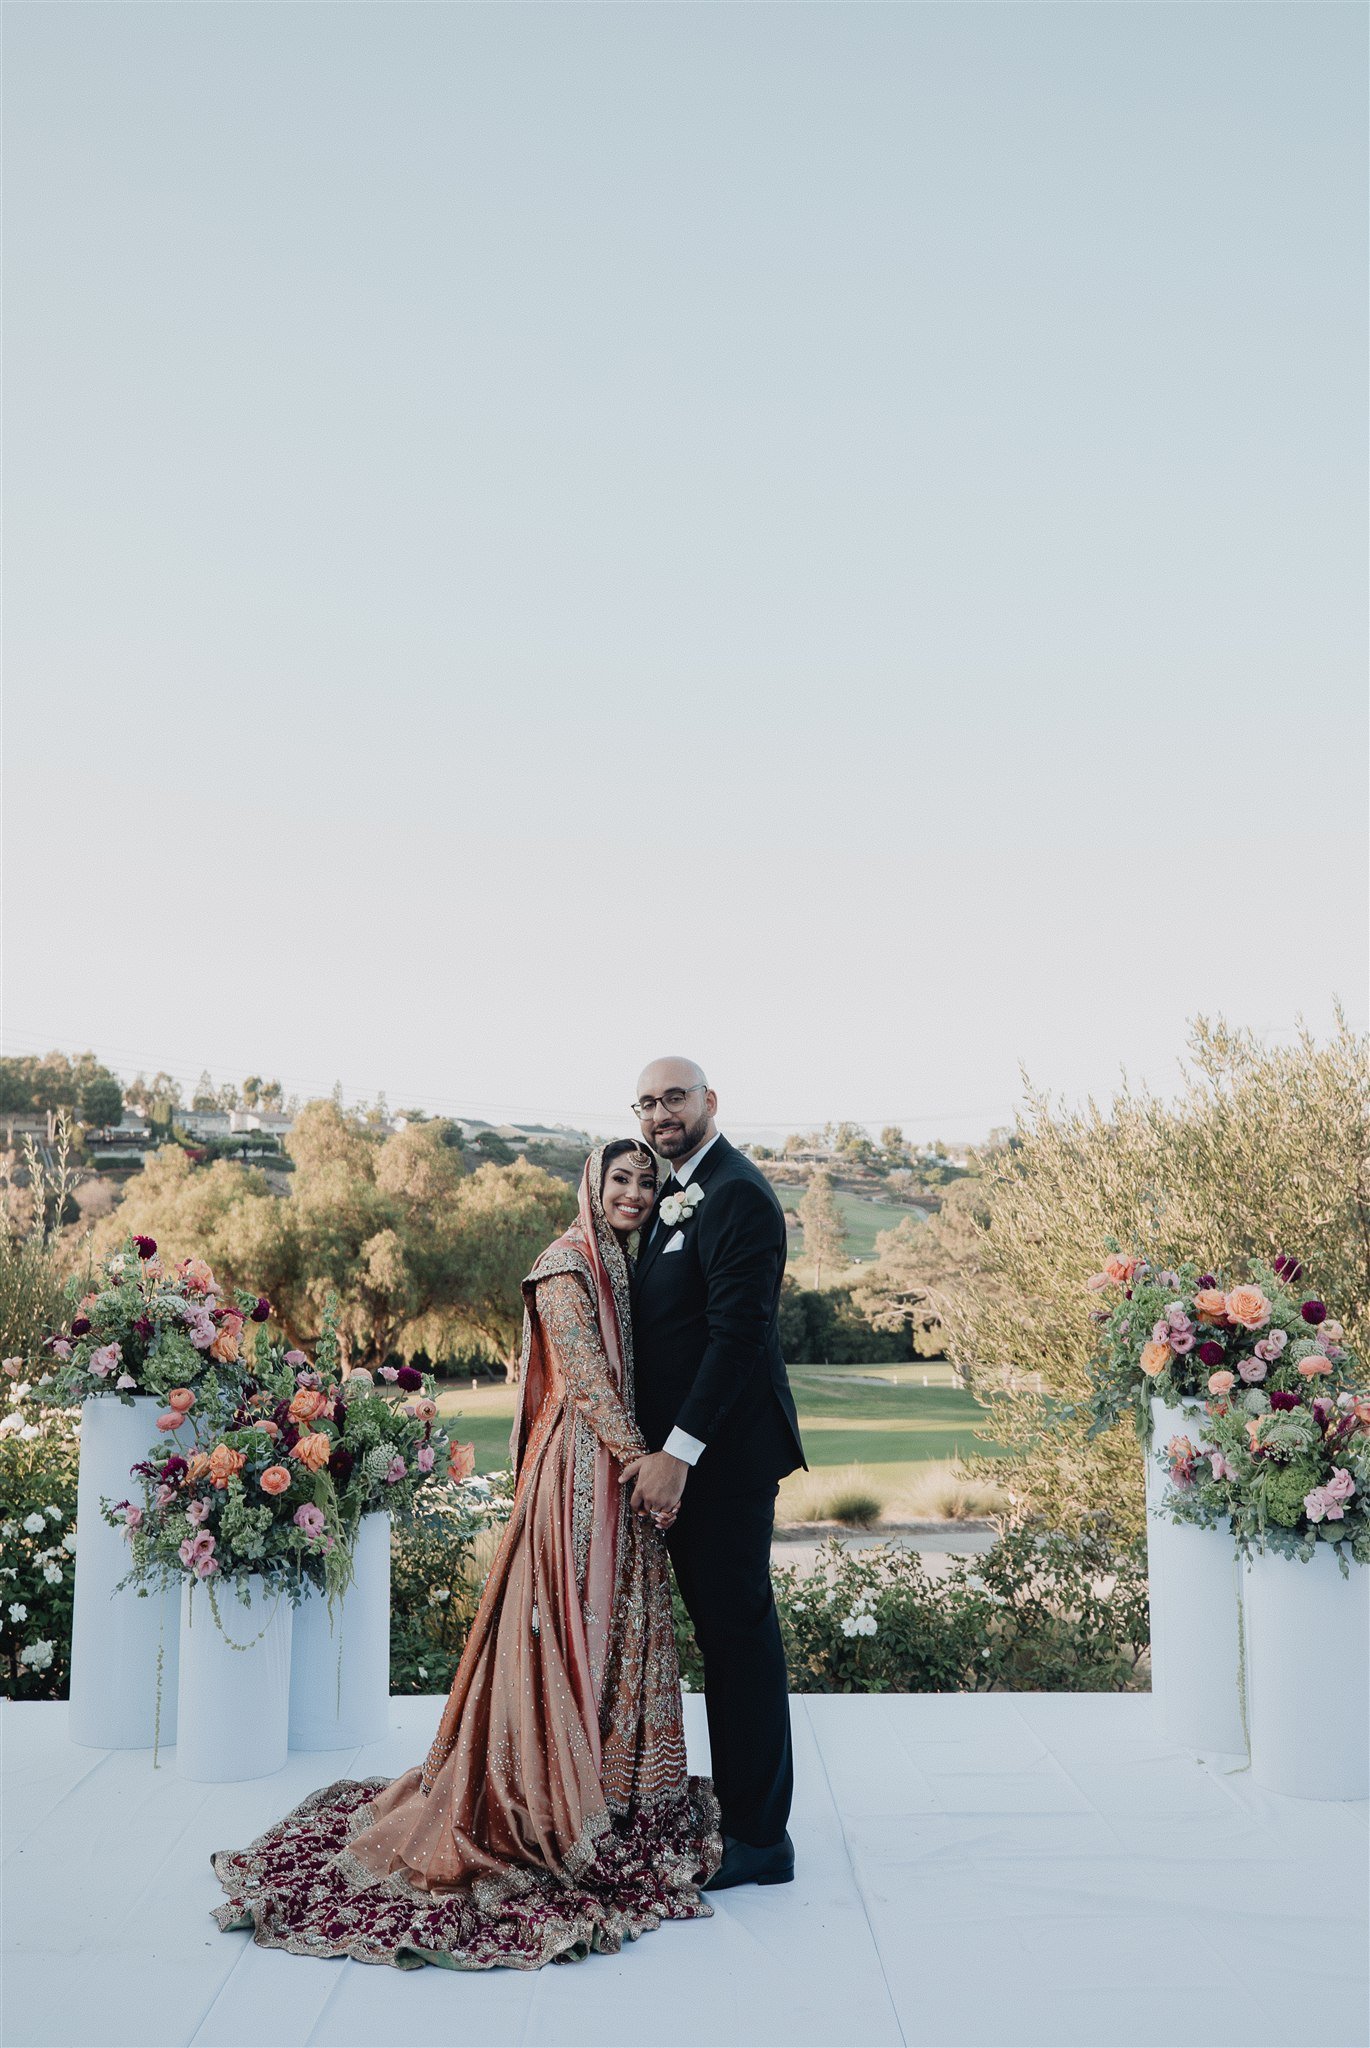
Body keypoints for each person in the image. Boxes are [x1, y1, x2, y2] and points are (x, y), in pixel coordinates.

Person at [210, 1141, 721, 1970]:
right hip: (583, 1474)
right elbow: (587, 1383)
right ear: (592, 1186)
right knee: (569, 1620)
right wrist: (646, 1470)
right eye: (618, 1179)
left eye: (645, 1182)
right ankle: (548, 1796)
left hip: (616, 1470)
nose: (633, 1192)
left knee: (613, 1623)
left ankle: (610, 1789)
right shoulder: (564, 1265)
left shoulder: (617, 1267)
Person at [622, 1058, 806, 1891]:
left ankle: (763, 1840)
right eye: (649, 1102)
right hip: (683, 1459)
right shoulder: (671, 1193)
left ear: (710, 1104)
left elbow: (738, 1336)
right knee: (721, 1638)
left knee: (737, 1640)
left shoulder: (736, 1193)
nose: (663, 1113)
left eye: (676, 1098)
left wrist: (678, 1454)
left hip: (723, 1461)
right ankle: (739, 1813)